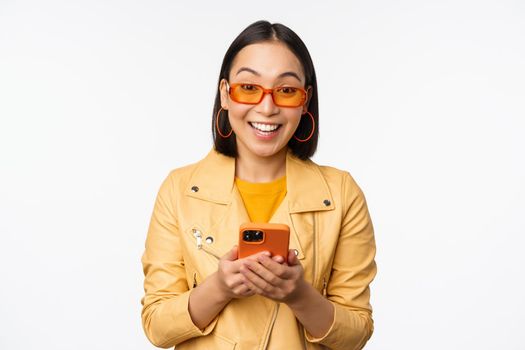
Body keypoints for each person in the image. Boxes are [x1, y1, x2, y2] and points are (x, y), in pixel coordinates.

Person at [140, 20, 377, 350]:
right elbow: (157, 326)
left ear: (305, 101)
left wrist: (299, 295)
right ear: (225, 94)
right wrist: (220, 287)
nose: (267, 107)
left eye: (286, 91)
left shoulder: (340, 193)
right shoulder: (179, 190)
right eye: (248, 88)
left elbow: (356, 333)